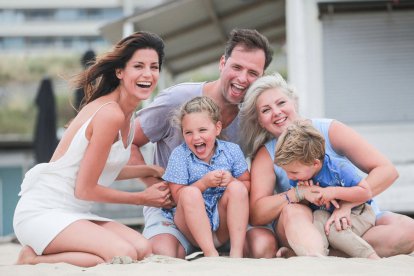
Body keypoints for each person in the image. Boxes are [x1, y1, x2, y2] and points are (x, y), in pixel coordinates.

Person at [13, 31, 173, 267]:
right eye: (138, 66)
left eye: (154, 67)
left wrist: (148, 169)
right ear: (120, 71)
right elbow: (85, 189)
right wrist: (142, 198)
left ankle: (40, 256)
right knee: (123, 254)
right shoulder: (110, 114)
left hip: (74, 212)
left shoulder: (128, 116)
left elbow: (101, 169)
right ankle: (32, 259)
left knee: (142, 248)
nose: (147, 74)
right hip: (43, 211)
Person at [130, 28, 274, 258]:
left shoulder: (255, 117)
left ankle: (229, 254)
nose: (242, 79)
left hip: (227, 211)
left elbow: (264, 164)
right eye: (236, 67)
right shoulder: (176, 100)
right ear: (222, 63)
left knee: (263, 246)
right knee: (162, 253)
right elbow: (130, 142)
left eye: (252, 73)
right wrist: (155, 188)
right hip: (174, 210)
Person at [239, 72, 414, 258]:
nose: (276, 112)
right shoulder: (265, 154)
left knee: (408, 231)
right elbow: (257, 213)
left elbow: (387, 171)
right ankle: (319, 254)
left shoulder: (330, 130)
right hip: (304, 224)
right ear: (259, 121)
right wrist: (299, 193)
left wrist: (346, 205)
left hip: (352, 218)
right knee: (293, 211)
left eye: (281, 103)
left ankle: (318, 253)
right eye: (266, 110)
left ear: (294, 103)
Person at [274, 120, 379, 259]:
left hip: (359, 212)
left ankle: (371, 257)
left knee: (335, 231)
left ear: (315, 163)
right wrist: (306, 195)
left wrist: (333, 192)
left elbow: (366, 192)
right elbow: (307, 206)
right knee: (316, 223)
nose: (289, 176)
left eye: (293, 172)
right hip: (326, 215)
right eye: (286, 171)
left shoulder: (339, 169)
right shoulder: (299, 177)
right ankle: (316, 256)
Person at [162, 96, 250, 257]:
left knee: (238, 187)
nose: (196, 138)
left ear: (217, 128)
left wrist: (232, 180)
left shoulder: (232, 150)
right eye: (188, 132)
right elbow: (176, 197)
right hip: (191, 227)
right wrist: (203, 183)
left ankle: (236, 253)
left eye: (202, 130)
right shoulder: (179, 155)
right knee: (189, 193)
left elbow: (247, 185)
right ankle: (211, 254)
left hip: (223, 224)